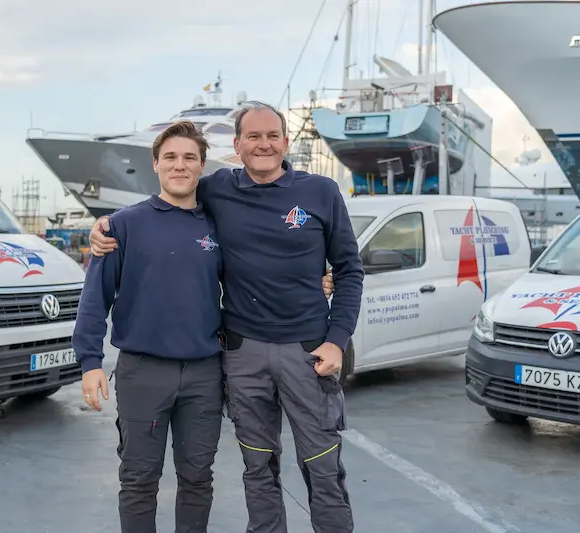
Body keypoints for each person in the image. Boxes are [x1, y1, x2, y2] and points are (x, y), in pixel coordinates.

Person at [88, 101, 364, 533]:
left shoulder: (321, 192)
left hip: (307, 351)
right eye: (252, 137)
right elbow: (165, 205)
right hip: (242, 353)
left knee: (323, 467)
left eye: (272, 135)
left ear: (286, 142)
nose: (263, 144)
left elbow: (349, 269)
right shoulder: (218, 189)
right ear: (236, 146)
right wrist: (107, 225)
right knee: (258, 468)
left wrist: (337, 337)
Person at [71, 120, 226, 533]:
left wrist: (314, 277)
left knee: (198, 478)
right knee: (139, 480)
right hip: (143, 372)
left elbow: (259, 269)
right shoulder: (122, 225)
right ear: (155, 164)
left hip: (204, 374)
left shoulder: (218, 226)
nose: (180, 165)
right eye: (171, 157)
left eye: (189, 158)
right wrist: (89, 362)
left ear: (201, 166)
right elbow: (95, 297)